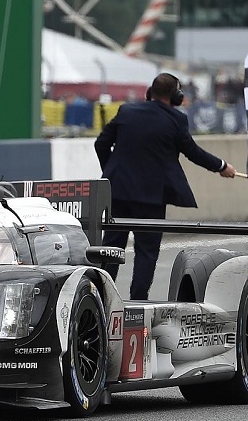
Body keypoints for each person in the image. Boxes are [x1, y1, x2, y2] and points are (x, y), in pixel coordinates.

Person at [94, 72, 236, 300]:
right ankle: (138, 301)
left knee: (110, 248)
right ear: (177, 96)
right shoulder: (176, 120)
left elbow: (101, 143)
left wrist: (111, 173)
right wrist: (221, 166)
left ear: (150, 93)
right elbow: (193, 153)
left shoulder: (126, 111)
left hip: (117, 192)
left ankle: (99, 298)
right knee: (146, 253)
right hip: (151, 198)